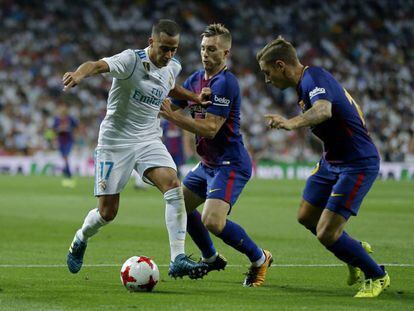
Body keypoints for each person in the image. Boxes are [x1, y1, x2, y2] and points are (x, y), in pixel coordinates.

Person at [62, 19, 209, 279]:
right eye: (164, 48)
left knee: (174, 185)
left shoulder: (173, 66)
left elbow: (170, 86)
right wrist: (78, 74)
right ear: (151, 42)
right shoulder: (130, 61)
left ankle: (177, 258)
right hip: (115, 142)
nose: (169, 55)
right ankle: (80, 238)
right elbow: (97, 65)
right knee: (108, 213)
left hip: (148, 139)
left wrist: (195, 98)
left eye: (174, 49)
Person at [258, 36, 390, 298]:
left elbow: (324, 111)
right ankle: (353, 250)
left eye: (267, 72)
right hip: (331, 162)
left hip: (357, 164)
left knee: (326, 233)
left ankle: (377, 275)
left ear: (281, 65)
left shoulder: (313, 78)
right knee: (306, 217)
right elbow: (350, 109)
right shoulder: (306, 85)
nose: (267, 79)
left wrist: (290, 123)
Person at [160, 23, 273, 287]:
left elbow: (210, 129)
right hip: (208, 163)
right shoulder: (195, 80)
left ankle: (259, 259)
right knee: (179, 208)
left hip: (230, 163)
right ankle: (210, 257)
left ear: (226, 54)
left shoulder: (226, 83)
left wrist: (172, 118)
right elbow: (168, 106)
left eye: (212, 49)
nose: (205, 54)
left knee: (212, 220)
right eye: (202, 48)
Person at [53, 102, 78, 188]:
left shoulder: (70, 118)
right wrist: (59, 129)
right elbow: (54, 129)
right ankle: (67, 174)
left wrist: (70, 130)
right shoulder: (57, 119)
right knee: (64, 158)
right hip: (60, 141)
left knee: (66, 157)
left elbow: (76, 126)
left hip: (68, 141)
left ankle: (68, 175)